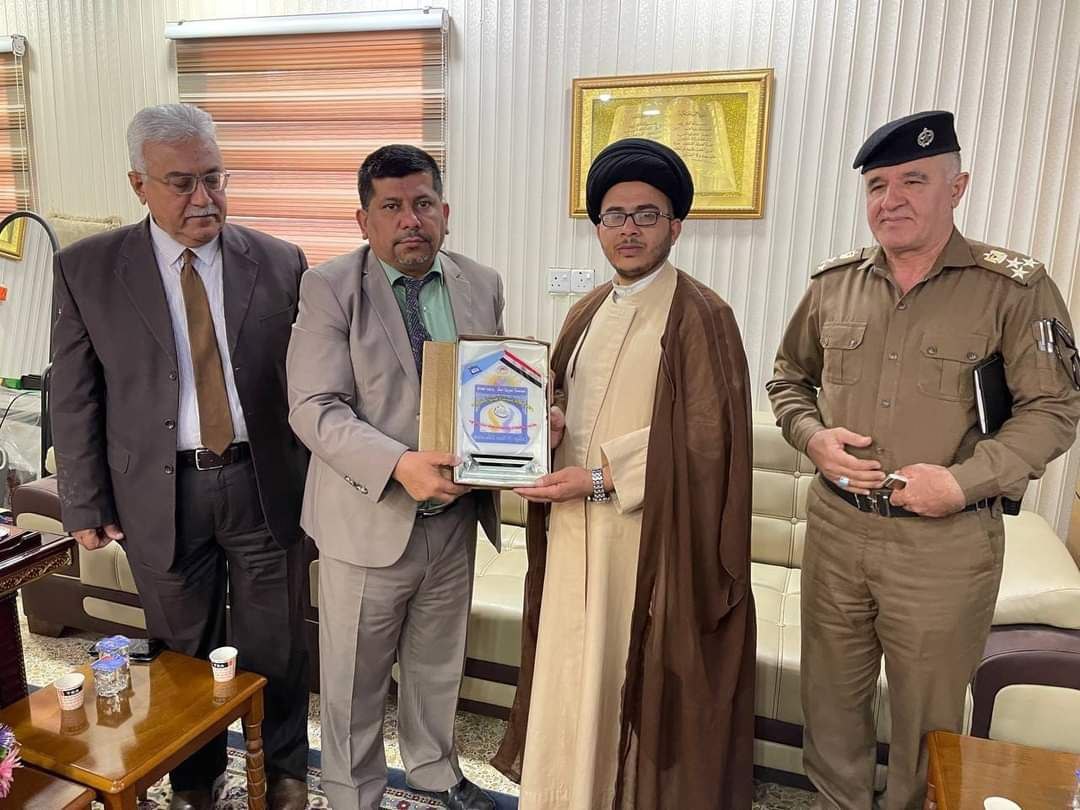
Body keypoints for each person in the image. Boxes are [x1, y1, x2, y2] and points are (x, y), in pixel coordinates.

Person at [767, 110, 1080, 809]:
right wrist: (812, 437)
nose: (892, 199)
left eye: (914, 180)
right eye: (877, 185)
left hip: (944, 544)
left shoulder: (1014, 288)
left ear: (956, 187)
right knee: (831, 704)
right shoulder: (834, 284)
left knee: (928, 720)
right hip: (837, 530)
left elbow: (1055, 410)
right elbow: (788, 379)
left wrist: (963, 482)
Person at [50, 103, 310, 810]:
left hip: (264, 483)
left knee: (278, 642)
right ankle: (195, 780)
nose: (204, 198)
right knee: (180, 649)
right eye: (182, 183)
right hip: (159, 494)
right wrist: (84, 501)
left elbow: (311, 380)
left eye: (214, 178)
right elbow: (73, 395)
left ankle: (283, 769)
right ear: (138, 184)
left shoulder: (279, 261)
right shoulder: (87, 269)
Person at [492, 138, 756, 809]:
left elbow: (710, 442)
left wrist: (603, 478)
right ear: (598, 227)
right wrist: (549, 425)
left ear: (676, 225)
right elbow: (563, 402)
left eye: (646, 214)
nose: (629, 229)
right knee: (566, 674)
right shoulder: (586, 309)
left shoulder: (702, 314)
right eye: (614, 215)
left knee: (617, 682)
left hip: (644, 543)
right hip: (570, 531)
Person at [286, 144, 503, 810]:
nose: (411, 219)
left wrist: (529, 424)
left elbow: (490, 384)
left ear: (445, 211)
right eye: (392, 206)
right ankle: (354, 793)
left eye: (423, 203)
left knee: (438, 665)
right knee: (354, 679)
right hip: (368, 519)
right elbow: (314, 408)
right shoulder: (330, 288)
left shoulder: (481, 282)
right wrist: (399, 465)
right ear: (364, 219)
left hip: (455, 520)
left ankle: (435, 772)